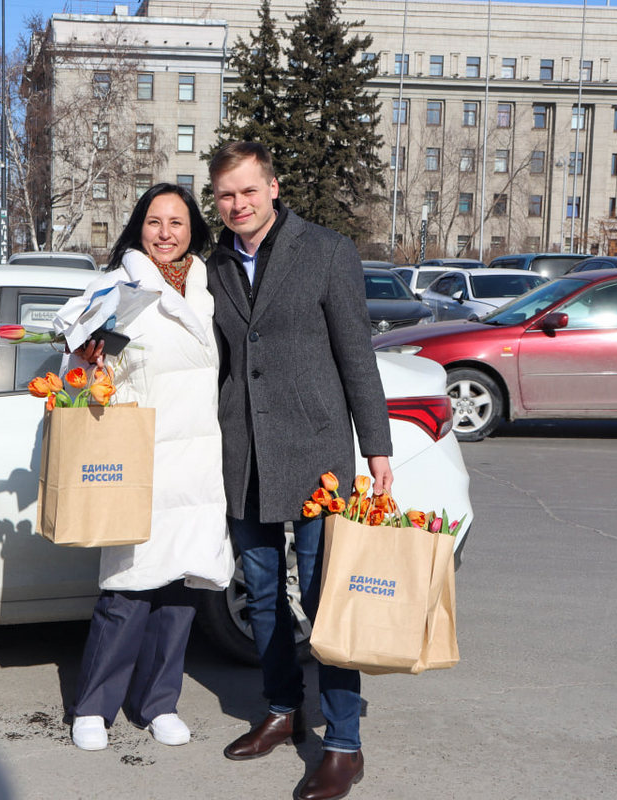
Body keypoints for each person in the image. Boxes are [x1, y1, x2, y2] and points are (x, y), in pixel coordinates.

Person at [205, 142, 395, 800]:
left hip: (316, 454)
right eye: (227, 195)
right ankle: (283, 711)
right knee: (262, 598)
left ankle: (344, 742)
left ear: (273, 188)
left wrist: (377, 449)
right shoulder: (217, 263)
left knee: (325, 600)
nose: (238, 204)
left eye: (248, 191)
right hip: (247, 455)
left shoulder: (327, 250)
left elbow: (357, 356)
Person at [58, 183, 234, 752]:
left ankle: (159, 703)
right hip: (143, 454)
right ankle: (94, 706)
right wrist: (87, 358)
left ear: (194, 230)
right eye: (155, 221)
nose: (165, 233)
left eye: (177, 222)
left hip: (200, 461)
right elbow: (73, 367)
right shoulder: (118, 285)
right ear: (139, 227)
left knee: (181, 589)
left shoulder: (210, 287)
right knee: (128, 587)